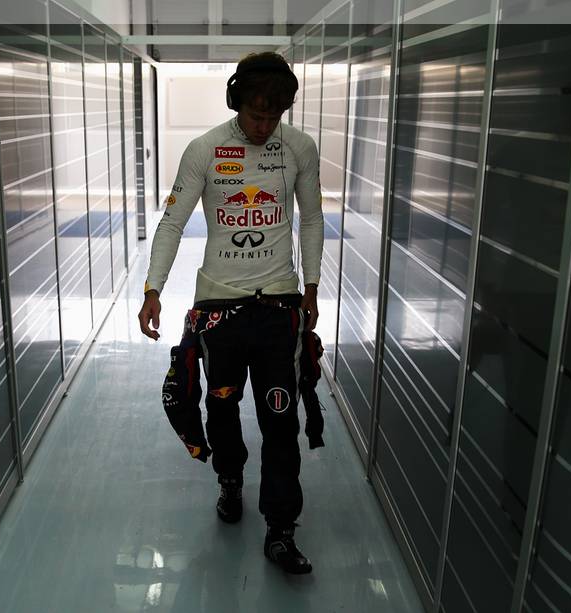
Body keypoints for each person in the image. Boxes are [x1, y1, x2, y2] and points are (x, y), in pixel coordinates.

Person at [137, 52, 324, 574]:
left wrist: (310, 285)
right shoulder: (204, 150)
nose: (264, 127)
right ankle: (230, 477)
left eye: (274, 116)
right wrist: (153, 288)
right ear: (236, 102)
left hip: (279, 304)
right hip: (218, 308)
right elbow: (172, 222)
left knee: (281, 418)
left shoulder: (299, 148)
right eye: (256, 115)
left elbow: (311, 219)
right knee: (221, 407)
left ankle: (281, 529)